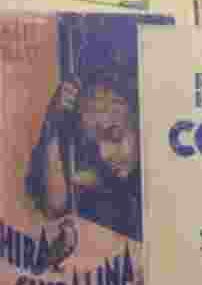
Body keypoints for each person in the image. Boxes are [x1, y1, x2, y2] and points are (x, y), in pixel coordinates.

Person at [26, 67, 142, 242]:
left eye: (114, 135)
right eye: (92, 145)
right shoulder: (106, 184)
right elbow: (55, 207)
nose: (103, 154)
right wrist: (52, 127)